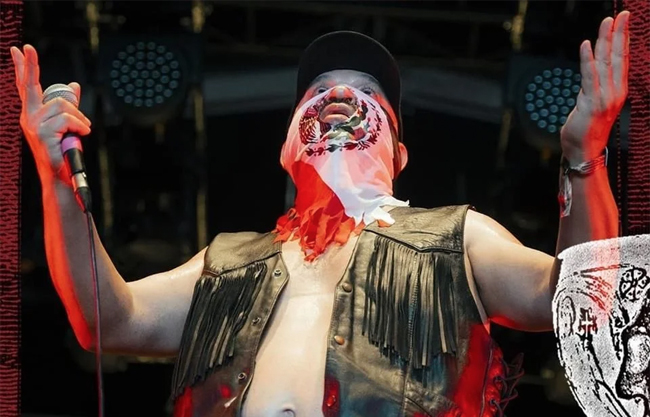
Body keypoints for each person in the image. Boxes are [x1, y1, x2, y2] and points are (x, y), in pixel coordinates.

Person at [11, 10, 629, 417]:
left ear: (399, 153)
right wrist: (55, 181)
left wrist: (585, 156)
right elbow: (109, 320)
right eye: (316, 90)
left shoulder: (454, 237)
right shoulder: (228, 263)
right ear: (286, 149)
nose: (338, 95)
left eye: (369, 93)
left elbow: (581, 304)